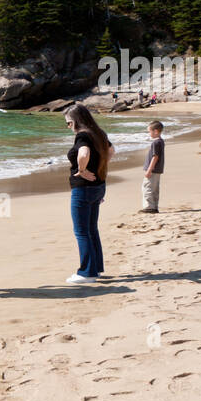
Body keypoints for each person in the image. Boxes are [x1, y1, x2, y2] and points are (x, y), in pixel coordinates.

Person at [64, 104, 115, 284]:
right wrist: (99, 166)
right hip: (98, 186)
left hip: (83, 188)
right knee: (92, 229)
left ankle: (87, 272)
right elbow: (110, 150)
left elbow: (83, 152)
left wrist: (82, 169)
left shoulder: (83, 135)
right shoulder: (99, 133)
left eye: (68, 123)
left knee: (81, 232)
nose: (69, 127)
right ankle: (96, 268)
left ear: (76, 121)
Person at [139, 120, 165, 213]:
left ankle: (149, 207)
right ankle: (154, 206)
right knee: (154, 188)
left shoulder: (156, 143)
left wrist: (149, 170)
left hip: (153, 170)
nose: (149, 133)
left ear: (156, 131)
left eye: (149, 131)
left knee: (147, 188)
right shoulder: (161, 141)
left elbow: (155, 157)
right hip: (158, 169)